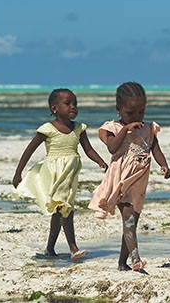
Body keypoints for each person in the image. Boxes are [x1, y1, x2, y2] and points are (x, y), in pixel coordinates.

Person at [13, 88, 107, 261]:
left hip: (70, 174)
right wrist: (18, 173)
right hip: (53, 175)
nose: (73, 107)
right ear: (54, 108)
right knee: (66, 208)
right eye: (68, 103)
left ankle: (50, 248)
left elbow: (88, 149)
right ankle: (73, 247)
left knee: (59, 211)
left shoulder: (79, 128)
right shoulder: (47, 129)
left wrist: (100, 161)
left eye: (75, 104)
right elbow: (29, 150)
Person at [88, 82, 170, 272]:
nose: (136, 117)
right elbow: (112, 148)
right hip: (120, 180)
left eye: (141, 112)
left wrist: (164, 165)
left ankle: (121, 262)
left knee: (132, 222)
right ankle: (136, 259)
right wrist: (125, 129)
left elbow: (155, 148)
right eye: (130, 113)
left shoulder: (148, 128)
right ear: (119, 110)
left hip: (139, 181)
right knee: (129, 221)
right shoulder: (113, 128)